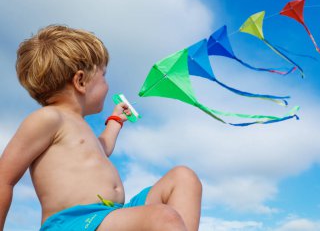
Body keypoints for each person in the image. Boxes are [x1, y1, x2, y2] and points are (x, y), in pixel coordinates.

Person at [0, 25, 202, 231]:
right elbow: (4, 178)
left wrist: (116, 119)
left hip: (110, 215)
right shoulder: (48, 118)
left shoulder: (79, 125)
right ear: (80, 81)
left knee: (183, 177)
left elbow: (102, 148)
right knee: (162, 217)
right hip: (72, 223)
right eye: (103, 75)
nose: (107, 84)